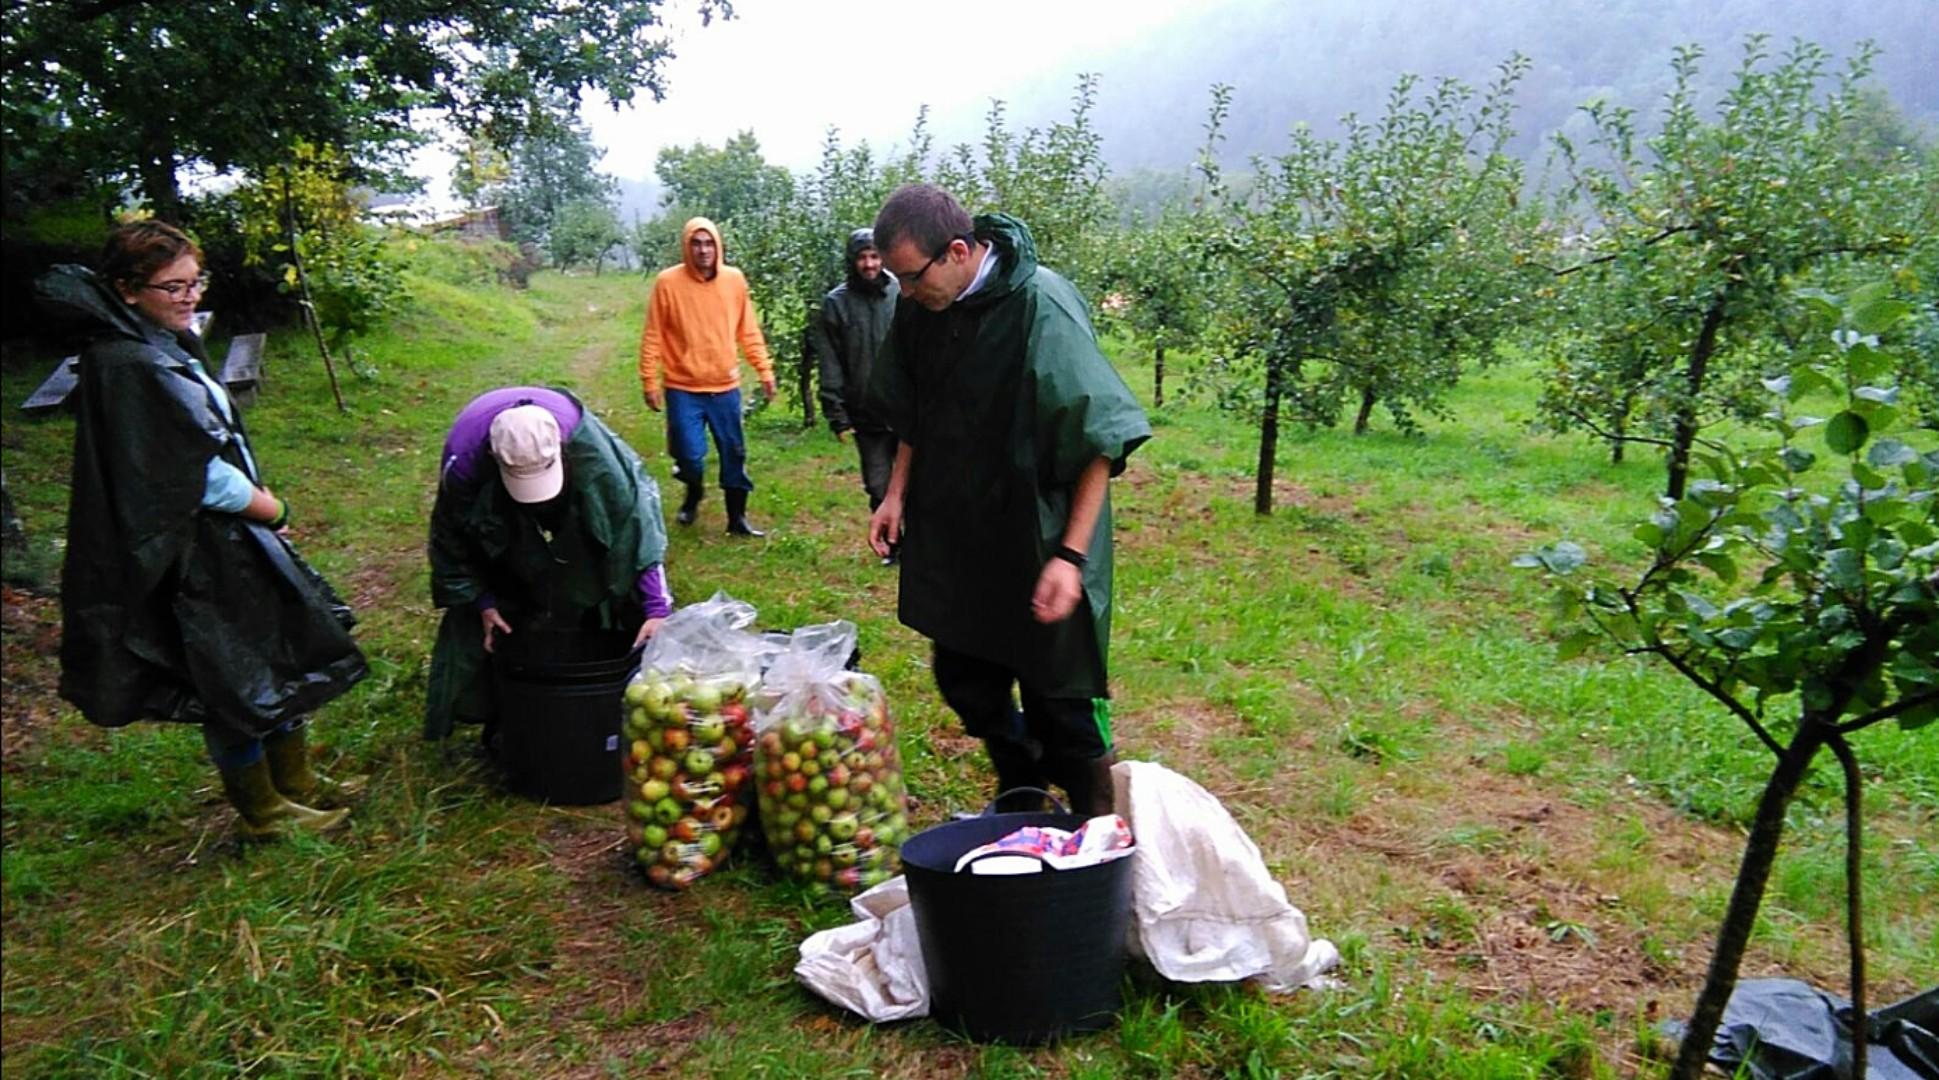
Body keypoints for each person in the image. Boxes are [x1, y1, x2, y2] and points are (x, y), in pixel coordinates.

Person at [36, 220, 368, 839]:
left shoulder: (159, 342)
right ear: (127, 289)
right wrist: (271, 511)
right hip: (193, 546)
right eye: (173, 287)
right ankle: (265, 814)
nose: (190, 298)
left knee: (269, 655)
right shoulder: (129, 363)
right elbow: (191, 473)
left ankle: (294, 786)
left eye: (196, 283)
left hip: (222, 536)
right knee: (231, 675)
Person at [865, 185, 1151, 817]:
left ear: (959, 251)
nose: (903, 293)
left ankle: (1092, 830)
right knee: (966, 676)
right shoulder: (923, 307)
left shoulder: (1040, 306)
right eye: (896, 280)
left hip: (1040, 532)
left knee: (1063, 697)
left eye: (910, 278)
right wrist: (895, 494)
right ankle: (1020, 776)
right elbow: (917, 407)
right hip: (961, 528)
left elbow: (1099, 438)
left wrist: (1070, 558)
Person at [424, 386, 672, 744]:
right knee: (507, 567)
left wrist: (656, 606)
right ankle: (497, 706)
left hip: (573, 450)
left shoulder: (590, 451)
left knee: (597, 559)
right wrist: (484, 603)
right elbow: (452, 539)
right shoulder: (464, 463)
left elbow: (634, 523)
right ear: (494, 457)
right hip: (485, 467)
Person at [637, 217, 777, 537]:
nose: (703, 250)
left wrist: (764, 369)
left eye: (709, 243)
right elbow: (653, 335)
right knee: (689, 455)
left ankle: (737, 519)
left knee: (734, 453)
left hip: (725, 386)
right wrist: (649, 380)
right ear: (687, 247)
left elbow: (748, 329)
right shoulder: (668, 283)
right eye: (696, 243)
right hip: (683, 386)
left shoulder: (734, 280)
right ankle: (693, 491)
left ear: (718, 246)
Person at [812, 228, 902, 560]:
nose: (869, 264)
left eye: (875, 256)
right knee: (878, 484)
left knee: (918, 482)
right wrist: (836, 413)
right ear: (853, 261)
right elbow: (830, 362)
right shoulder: (836, 304)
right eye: (862, 257)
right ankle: (892, 545)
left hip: (906, 408)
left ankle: (922, 543)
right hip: (867, 411)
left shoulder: (900, 291)